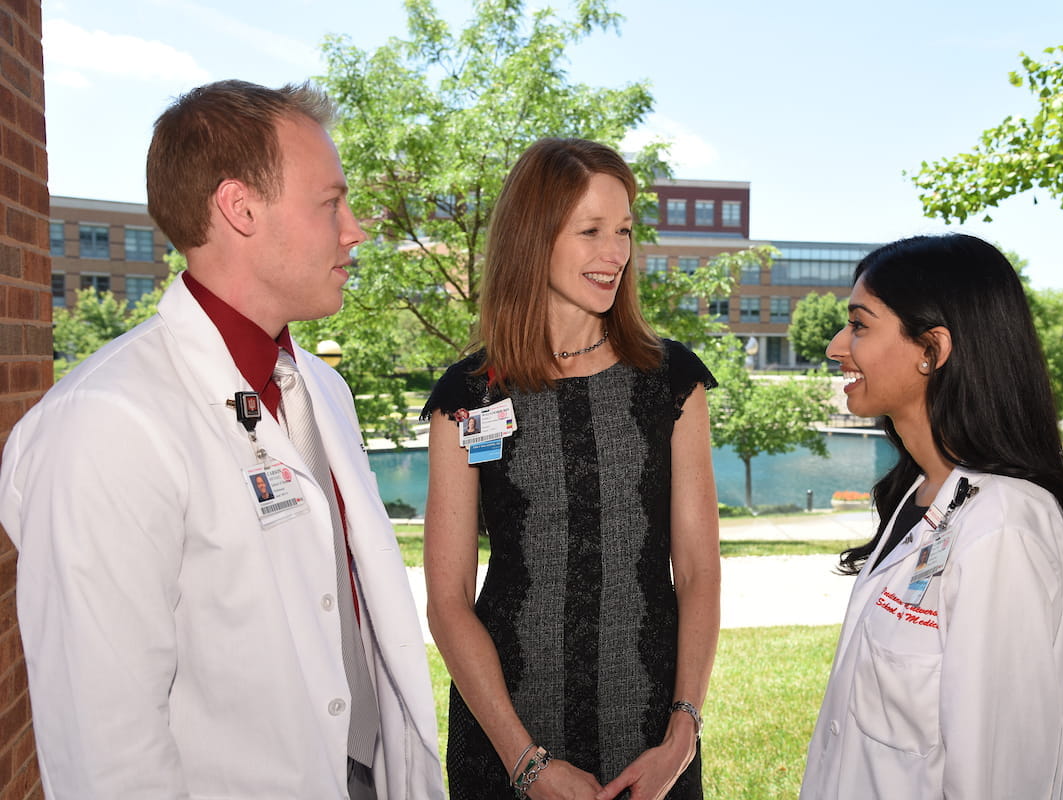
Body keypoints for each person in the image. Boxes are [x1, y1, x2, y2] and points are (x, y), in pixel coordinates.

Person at [0, 80, 443, 799]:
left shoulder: (319, 388)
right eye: (331, 203)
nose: (355, 228)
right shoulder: (106, 425)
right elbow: (107, 754)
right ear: (240, 208)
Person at [422, 138, 721, 800]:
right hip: (505, 750)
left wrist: (682, 734)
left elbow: (698, 572)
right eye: (590, 231)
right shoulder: (470, 395)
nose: (614, 253)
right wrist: (525, 762)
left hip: (652, 751)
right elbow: (447, 603)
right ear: (535, 237)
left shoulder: (671, 381)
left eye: (623, 231)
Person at [798, 234, 1063, 800]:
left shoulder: (1002, 524)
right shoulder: (922, 494)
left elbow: (1000, 778)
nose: (835, 346)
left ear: (932, 348)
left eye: (860, 324)